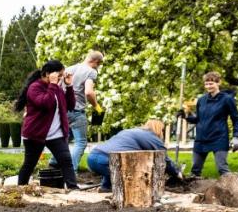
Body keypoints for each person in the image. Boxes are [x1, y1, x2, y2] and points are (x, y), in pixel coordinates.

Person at [15, 60, 79, 189]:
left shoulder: (57, 87)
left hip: (56, 134)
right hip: (36, 134)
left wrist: (69, 86)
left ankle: (73, 188)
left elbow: (71, 105)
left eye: (62, 75)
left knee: (66, 160)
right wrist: (54, 85)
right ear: (48, 74)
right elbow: (46, 104)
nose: (61, 78)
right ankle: (21, 189)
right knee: (30, 164)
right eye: (59, 75)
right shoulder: (35, 87)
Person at [87, 119, 180, 192]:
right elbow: (164, 158)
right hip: (104, 161)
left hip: (93, 157)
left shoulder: (130, 131)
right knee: (134, 174)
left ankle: (106, 187)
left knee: (118, 161)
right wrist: (176, 173)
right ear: (159, 129)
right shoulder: (152, 137)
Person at [179, 71, 238, 178]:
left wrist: (236, 137)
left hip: (219, 138)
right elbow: (199, 119)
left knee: (222, 168)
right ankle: (194, 193)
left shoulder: (227, 99)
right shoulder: (201, 100)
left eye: (211, 83)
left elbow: (236, 118)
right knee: (195, 171)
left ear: (218, 83)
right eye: (206, 84)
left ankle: (234, 191)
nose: (208, 86)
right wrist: (185, 116)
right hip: (201, 139)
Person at [53, 51, 104, 173]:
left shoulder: (70, 69)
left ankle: (54, 163)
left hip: (62, 110)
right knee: (80, 142)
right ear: (96, 62)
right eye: (99, 64)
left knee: (64, 138)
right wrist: (97, 106)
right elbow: (88, 92)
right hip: (76, 111)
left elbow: (57, 88)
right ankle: (71, 171)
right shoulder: (91, 72)